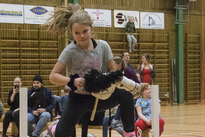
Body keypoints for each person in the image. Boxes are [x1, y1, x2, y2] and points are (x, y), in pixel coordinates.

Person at [47, 4, 138, 137]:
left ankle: (129, 133)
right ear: (71, 33)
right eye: (76, 33)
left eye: (85, 31)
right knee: (61, 133)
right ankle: (56, 126)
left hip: (101, 96)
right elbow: (53, 76)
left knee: (126, 94)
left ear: (91, 29)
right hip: (78, 98)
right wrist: (72, 80)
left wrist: (106, 80)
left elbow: (113, 72)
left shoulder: (103, 46)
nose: (81, 36)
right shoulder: (69, 50)